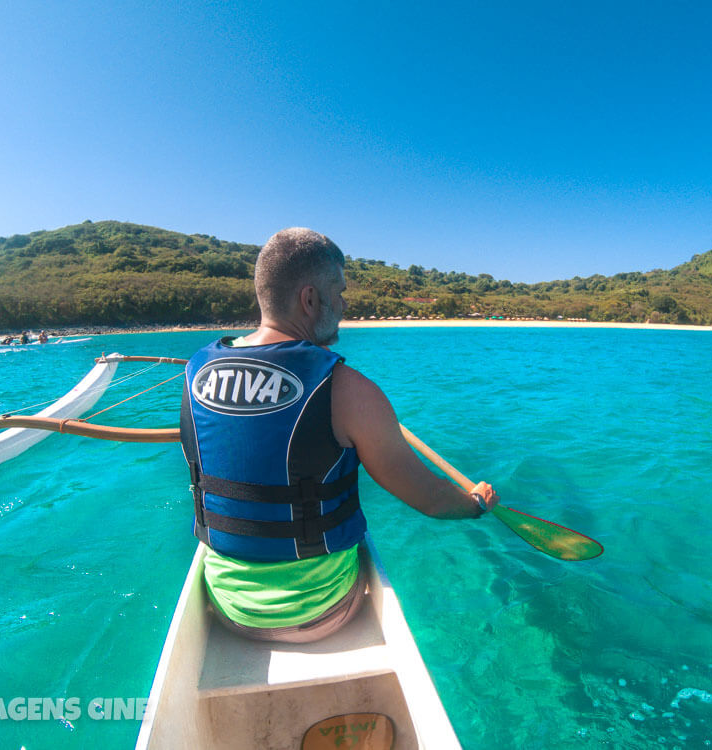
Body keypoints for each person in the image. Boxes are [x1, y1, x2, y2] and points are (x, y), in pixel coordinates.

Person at [181, 227, 498, 643]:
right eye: (340, 292)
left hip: (228, 607)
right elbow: (434, 501)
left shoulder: (194, 372)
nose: (345, 305)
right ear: (311, 300)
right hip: (319, 612)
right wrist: (475, 503)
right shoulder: (348, 389)